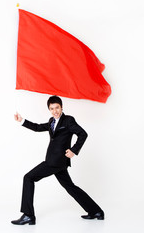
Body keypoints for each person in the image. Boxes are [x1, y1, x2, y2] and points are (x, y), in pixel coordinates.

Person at [11, 95, 104, 225]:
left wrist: (73, 150)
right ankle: (96, 211)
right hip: (56, 162)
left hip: (55, 162)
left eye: (57, 108)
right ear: (49, 109)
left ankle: (28, 215)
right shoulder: (51, 121)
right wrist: (22, 121)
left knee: (28, 178)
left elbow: (83, 134)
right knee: (71, 187)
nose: (55, 111)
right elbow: (38, 127)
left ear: (61, 107)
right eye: (52, 108)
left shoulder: (68, 121)